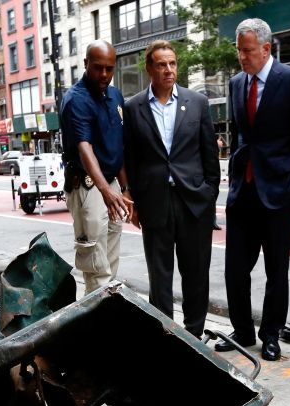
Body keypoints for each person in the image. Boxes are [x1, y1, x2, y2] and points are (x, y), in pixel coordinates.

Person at [217, 18, 290, 361]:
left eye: (247, 51)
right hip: (243, 193)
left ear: (266, 48)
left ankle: (271, 334)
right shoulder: (236, 84)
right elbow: (240, 139)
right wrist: (234, 178)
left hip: (278, 194)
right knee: (235, 269)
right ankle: (243, 331)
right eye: (238, 51)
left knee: (276, 270)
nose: (242, 58)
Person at [123, 40, 220, 338]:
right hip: (155, 203)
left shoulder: (197, 103)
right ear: (149, 68)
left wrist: (208, 194)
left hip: (193, 202)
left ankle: (194, 334)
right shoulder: (133, 107)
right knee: (160, 277)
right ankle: (165, 336)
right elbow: (132, 157)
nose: (169, 70)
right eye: (162, 64)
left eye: (173, 63)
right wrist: (134, 199)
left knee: (195, 274)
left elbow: (209, 156)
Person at [59, 40, 131, 294]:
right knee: (95, 264)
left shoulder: (115, 95)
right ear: (85, 63)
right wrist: (105, 190)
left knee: (110, 260)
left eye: (109, 69)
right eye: (97, 67)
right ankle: (96, 326)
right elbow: (84, 148)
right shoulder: (75, 100)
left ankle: (105, 317)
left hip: (110, 183)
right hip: (88, 186)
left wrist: (123, 188)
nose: (103, 74)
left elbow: (117, 146)